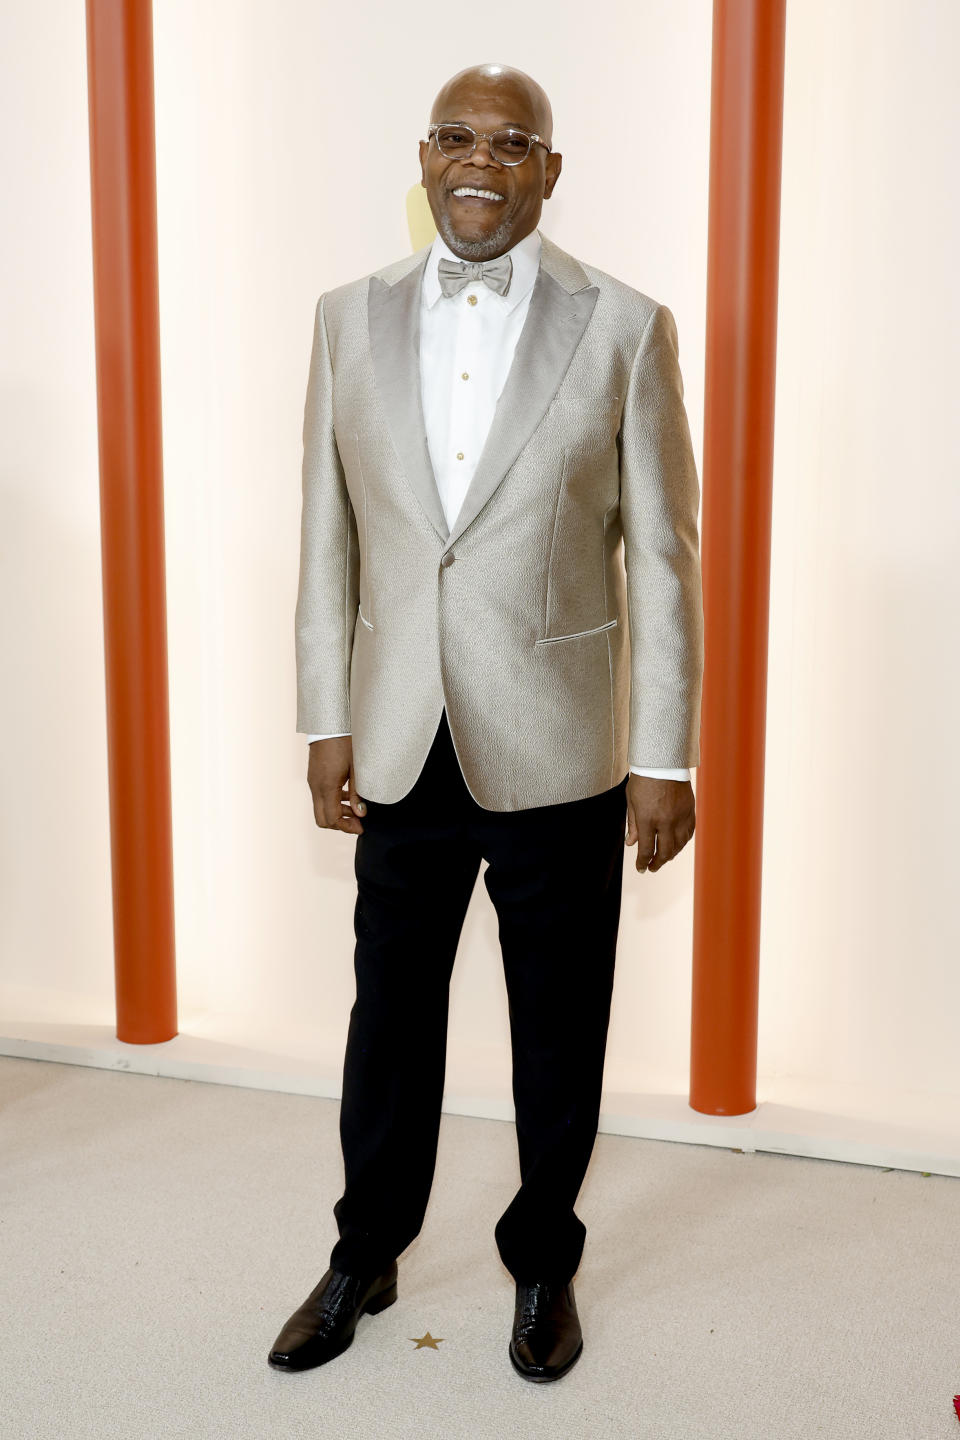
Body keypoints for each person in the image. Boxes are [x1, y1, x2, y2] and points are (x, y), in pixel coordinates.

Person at [269, 61, 704, 1383]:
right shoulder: (346, 318)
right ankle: (365, 1251)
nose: (481, 161)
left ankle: (544, 1265)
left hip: (561, 740)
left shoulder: (627, 325)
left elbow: (668, 559)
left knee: (558, 1026)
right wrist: (323, 719)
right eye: (456, 138)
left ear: (550, 170)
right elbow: (325, 536)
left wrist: (665, 755)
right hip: (398, 735)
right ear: (422, 156)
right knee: (387, 1015)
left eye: (512, 143)